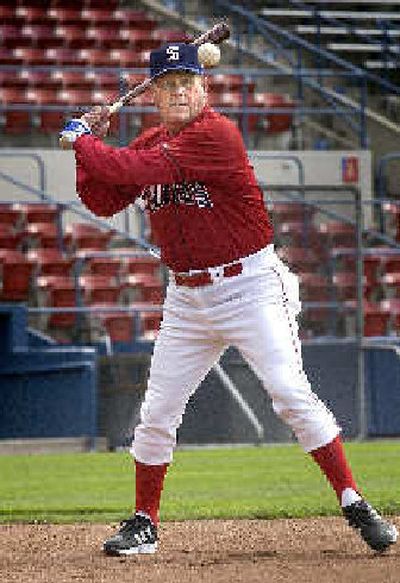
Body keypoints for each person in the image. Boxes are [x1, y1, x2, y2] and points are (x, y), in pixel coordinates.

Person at [60, 42, 398, 556]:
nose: (179, 91)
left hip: (251, 288)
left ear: (204, 86)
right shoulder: (153, 140)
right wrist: (92, 150)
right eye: (168, 84)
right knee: (156, 413)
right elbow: (104, 197)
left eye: (187, 82)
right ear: (152, 94)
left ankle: (354, 500)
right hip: (187, 299)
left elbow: (128, 170)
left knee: (288, 392)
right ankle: (144, 522)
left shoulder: (216, 135)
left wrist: (85, 141)